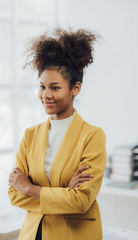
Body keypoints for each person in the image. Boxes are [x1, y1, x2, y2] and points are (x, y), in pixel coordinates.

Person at [8, 28, 107, 240]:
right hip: (33, 234)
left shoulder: (92, 137)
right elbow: (14, 194)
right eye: (42, 86)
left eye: (55, 87)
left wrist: (30, 188)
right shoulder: (30, 136)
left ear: (75, 88)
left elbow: (81, 201)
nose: (46, 95)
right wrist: (64, 195)